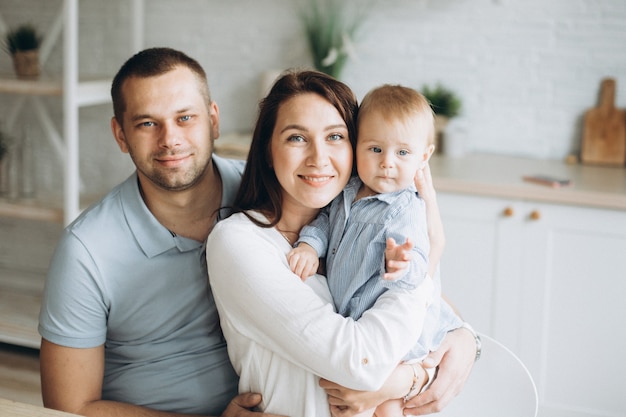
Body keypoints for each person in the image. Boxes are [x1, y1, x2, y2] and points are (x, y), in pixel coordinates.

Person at [206, 70, 478, 417]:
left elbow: (443, 323)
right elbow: (360, 362)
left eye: (335, 136)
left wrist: (464, 343)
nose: (318, 158)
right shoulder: (239, 241)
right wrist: (434, 248)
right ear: (268, 151)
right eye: (296, 138)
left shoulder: (365, 225)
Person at [37, 47, 281, 417]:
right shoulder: (85, 251)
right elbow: (67, 407)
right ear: (120, 135)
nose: (170, 139)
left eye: (185, 118)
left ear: (213, 120)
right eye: (147, 123)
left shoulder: (266, 192)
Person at [286, 84, 464, 416]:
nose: (387, 164)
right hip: (358, 320)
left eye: (403, 153)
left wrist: (401, 264)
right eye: (375, 149)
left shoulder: (405, 208)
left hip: (398, 333)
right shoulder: (348, 190)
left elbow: (422, 260)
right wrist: (310, 245)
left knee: (390, 407)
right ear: (356, 146)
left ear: (424, 157)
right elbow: (325, 222)